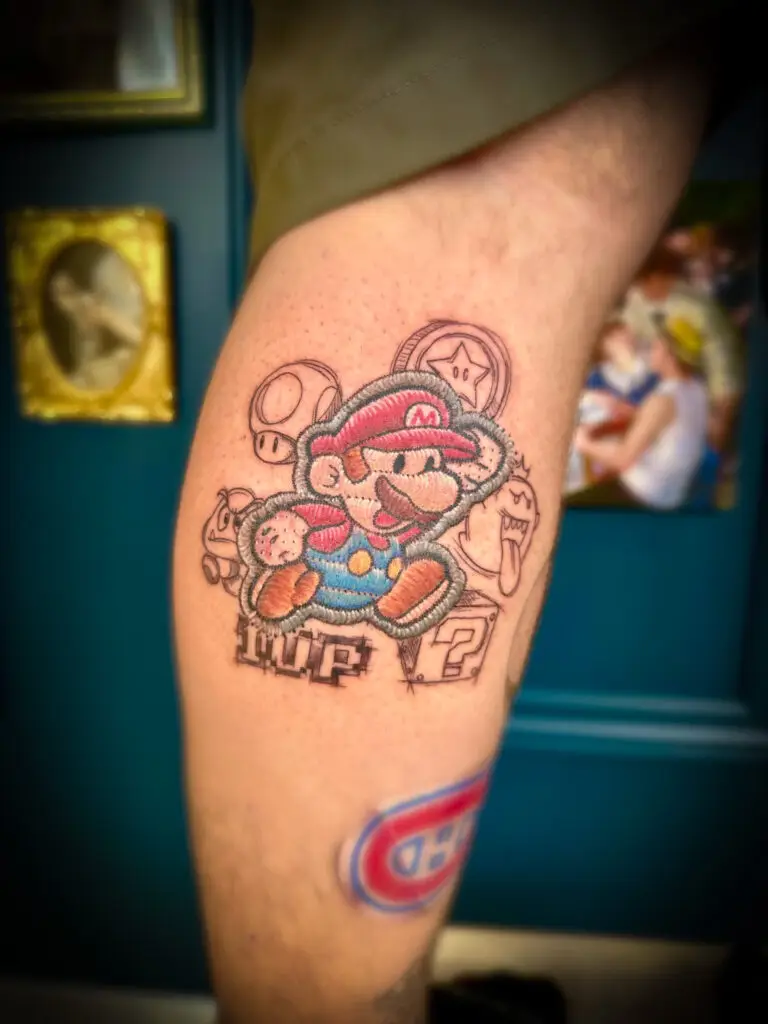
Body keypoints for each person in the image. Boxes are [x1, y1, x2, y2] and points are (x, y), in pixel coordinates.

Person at [173, 4, 737, 1021]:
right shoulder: (341, 492)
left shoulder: (427, 520)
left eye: (434, 467)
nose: (417, 477)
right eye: (399, 462)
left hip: (387, 577)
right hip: (333, 565)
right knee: (472, 199)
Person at [572, 318, 708, 509]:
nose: (651, 350)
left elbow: (622, 459)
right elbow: (662, 420)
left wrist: (583, 443)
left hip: (645, 496)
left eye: (656, 346)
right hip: (673, 492)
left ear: (669, 355)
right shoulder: (696, 388)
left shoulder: (662, 400)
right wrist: (622, 407)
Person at [620, 241, 744, 452]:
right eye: (637, 283)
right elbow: (630, 331)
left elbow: (723, 368)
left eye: (645, 281)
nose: (641, 289)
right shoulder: (637, 299)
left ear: (663, 276)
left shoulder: (698, 310)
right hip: (664, 382)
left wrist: (721, 417)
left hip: (704, 390)